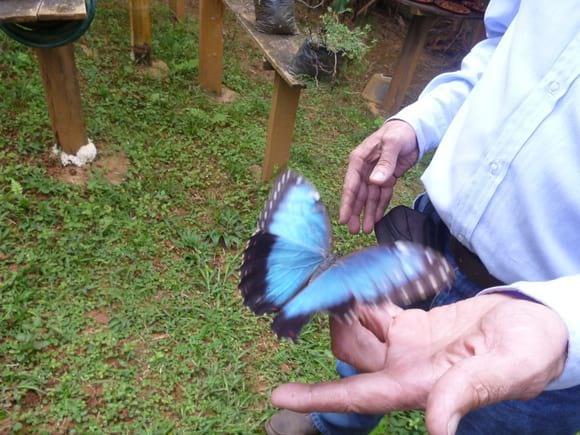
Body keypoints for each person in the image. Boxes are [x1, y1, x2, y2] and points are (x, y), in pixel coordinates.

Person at [265, 0, 580, 433]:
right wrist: (418, 124)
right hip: (429, 235)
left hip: (543, 326)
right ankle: (330, 423)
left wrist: (564, 320)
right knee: (372, 348)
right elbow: (499, 49)